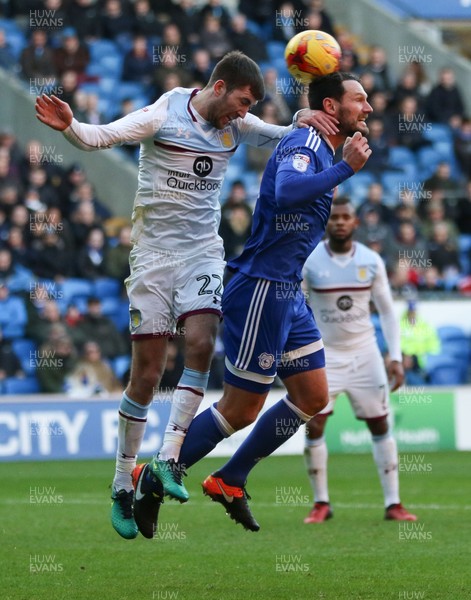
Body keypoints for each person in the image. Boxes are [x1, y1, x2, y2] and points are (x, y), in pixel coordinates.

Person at [35, 50, 339, 540]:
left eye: (249, 106)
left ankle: (171, 458)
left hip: (202, 251)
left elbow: (284, 136)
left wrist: (304, 116)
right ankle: (120, 483)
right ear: (219, 87)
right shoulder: (164, 113)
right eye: (241, 101)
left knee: (201, 343)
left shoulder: (236, 125)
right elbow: (99, 137)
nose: (244, 112)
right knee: (147, 375)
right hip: (153, 256)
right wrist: (71, 126)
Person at [131, 71, 373, 537]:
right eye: (358, 100)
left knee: (312, 397)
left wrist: (339, 164)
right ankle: (154, 474)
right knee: (241, 409)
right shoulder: (306, 142)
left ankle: (230, 478)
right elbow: (284, 192)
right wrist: (345, 169)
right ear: (330, 107)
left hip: (286, 290)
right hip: (262, 286)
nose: (367, 108)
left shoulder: (319, 143)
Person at [302, 197, 417, 524]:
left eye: (345, 217)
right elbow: (294, 306)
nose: (339, 222)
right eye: (334, 217)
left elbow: (388, 312)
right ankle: (321, 502)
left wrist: (394, 356)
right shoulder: (310, 260)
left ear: (355, 223)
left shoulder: (371, 261)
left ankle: (393, 504)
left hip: (365, 354)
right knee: (315, 424)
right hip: (324, 355)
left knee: (380, 423)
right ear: (327, 223)